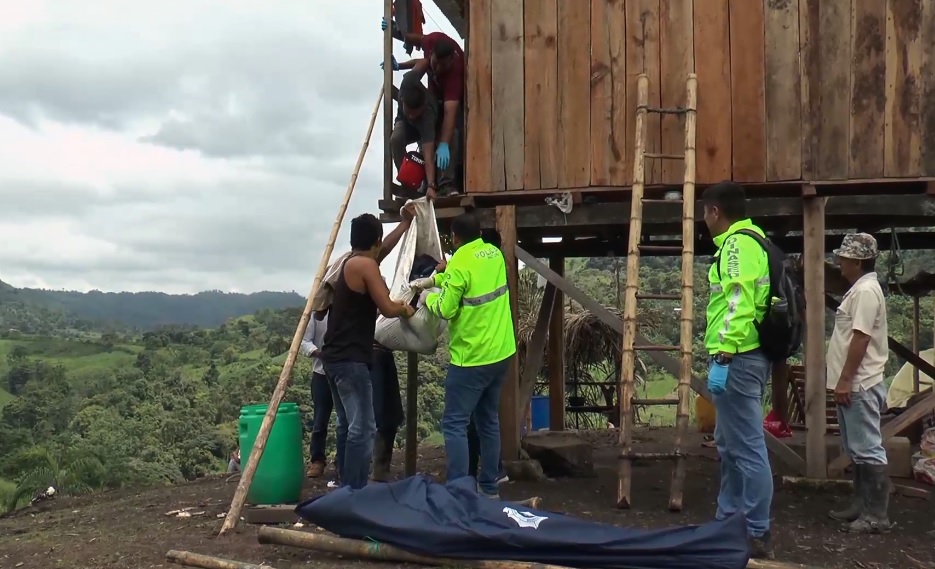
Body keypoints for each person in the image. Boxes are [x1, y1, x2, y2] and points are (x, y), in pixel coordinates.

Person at [411, 212, 515, 499]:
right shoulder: (492, 253)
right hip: (502, 352)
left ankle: (459, 490)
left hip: (472, 358)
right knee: (488, 420)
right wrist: (438, 278)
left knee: (455, 424)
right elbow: (467, 281)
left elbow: (446, 309)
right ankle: (490, 487)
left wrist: (427, 296)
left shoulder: (459, 263)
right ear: (479, 232)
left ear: (454, 237)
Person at [320, 207, 417, 490]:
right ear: (374, 240)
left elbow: (383, 249)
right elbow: (386, 308)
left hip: (334, 358)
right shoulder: (366, 267)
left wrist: (404, 224)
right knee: (363, 428)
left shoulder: (352, 262)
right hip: (350, 360)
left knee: (347, 424)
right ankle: (355, 489)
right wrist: (406, 309)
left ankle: (345, 485)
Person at [701, 181, 773, 559]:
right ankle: (728, 517)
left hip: (739, 358)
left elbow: (737, 300)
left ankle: (756, 530)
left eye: (705, 212)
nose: (704, 220)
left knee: (746, 447)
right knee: (730, 445)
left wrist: (724, 354)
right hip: (742, 355)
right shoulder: (750, 240)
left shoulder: (737, 244)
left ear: (715, 211)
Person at [825, 233, 891, 533]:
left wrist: (846, 380)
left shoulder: (865, 291)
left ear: (859, 261)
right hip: (855, 382)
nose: (840, 262)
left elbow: (861, 337)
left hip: (860, 382)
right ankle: (861, 505)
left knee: (867, 448)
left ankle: (876, 515)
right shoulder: (861, 289)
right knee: (856, 447)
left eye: (846, 258)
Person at [466, 228, 508, 486]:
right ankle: (494, 472)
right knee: (487, 418)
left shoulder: (479, 271)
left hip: (477, 356)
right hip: (499, 353)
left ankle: (469, 475)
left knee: (464, 421)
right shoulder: (498, 270)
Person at [391, 71, 459, 199]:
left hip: (427, 128)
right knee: (396, 139)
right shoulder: (408, 81)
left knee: (448, 139)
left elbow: (428, 156)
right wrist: (400, 66)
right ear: (402, 101)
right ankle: (407, 184)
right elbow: (422, 62)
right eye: (409, 112)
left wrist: (431, 186)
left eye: (415, 114)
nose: (411, 116)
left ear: (422, 108)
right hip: (405, 125)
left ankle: (444, 184)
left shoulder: (427, 116)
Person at [300, 311, 333, 479]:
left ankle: (345, 460)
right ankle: (317, 460)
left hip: (345, 370)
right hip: (321, 373)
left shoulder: (350, 307)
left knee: (349, 419)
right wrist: (319, 353)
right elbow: (304, 341)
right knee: (320, 419)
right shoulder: (317, 314)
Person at [371, 340, 404, 482]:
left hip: (384, 354)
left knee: (391, 413)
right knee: (377, 413)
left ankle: (381, 468)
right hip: (368, 355)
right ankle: (374, 468)